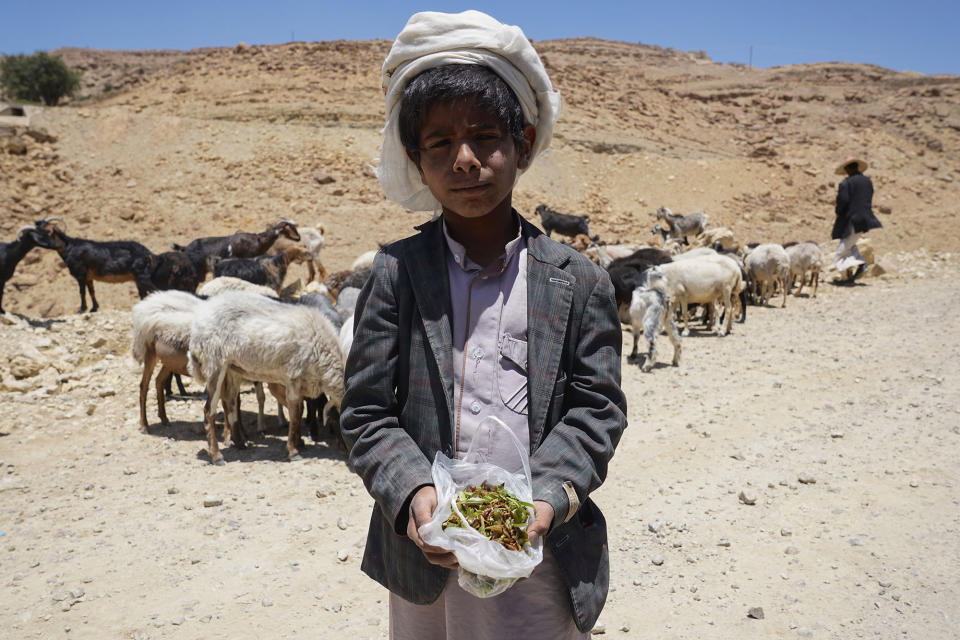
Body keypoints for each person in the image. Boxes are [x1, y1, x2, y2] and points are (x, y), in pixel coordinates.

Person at [339, 10, 628, 640]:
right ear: (417, 161)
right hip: (426, 559)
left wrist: (544, 501)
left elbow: (596, 410)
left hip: (538, 560)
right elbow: (365, 413)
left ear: (522, 142)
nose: (465, 160)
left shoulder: (577, 280)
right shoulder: (395, 273)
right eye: (440, 144)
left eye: (485, 136)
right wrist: (417, 496)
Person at [831, 156, 882, 282]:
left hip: (851, 220)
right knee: (850, 245)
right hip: (864, 219)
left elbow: (843, 202)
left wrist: (839, 212)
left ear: (848, 169)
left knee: (840, 252)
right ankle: (856, 268)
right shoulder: (867, 181)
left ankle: (851, 272)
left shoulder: (846, 183)